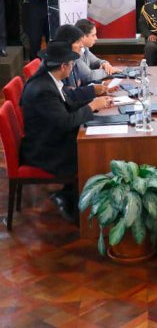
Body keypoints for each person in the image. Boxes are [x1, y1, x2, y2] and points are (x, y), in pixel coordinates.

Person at [20, 41, 112, 219]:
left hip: (50, 138)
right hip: (44, 150)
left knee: (93, 142)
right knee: (93, 152)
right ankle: (79, 206)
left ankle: (73, 195)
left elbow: (66, 106)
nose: (72, 68)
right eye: (71, 64)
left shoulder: (48, 80)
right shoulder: (43, 90)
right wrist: (92, 106)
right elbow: (66, 122)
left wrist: (92, 102)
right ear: (63, 66)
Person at [53, 24, 115, 105]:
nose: (82, 45)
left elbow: (80, 82)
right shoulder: (58, 65)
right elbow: (66, 94)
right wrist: (93, 100)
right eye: (78, 42)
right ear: (67, 44)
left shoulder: (72, 59)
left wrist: (102, 85)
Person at [74, 19, 119, 83]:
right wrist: (110, 71)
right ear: (83, 36)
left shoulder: (85, 48)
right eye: (93, 35)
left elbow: (96, 61)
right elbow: (89, 76)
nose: (96, 38)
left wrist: (104, 63)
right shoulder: (75, 52)